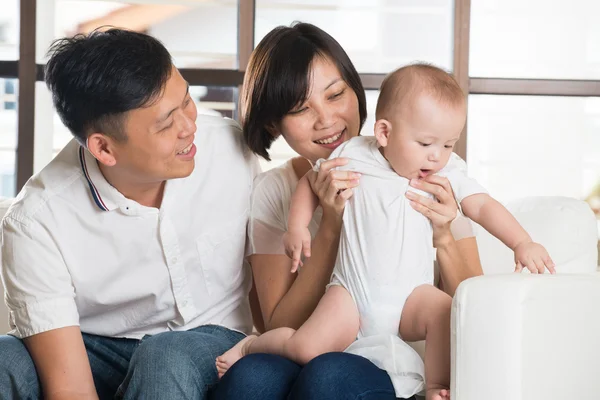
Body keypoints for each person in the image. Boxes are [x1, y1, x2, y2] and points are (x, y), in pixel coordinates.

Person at [217, 63, 556, 400]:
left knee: (442, 311)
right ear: (384, 133)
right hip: (352, 293)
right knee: (305, 349)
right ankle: (252, 345)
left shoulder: (445, 174)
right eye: (425, 143)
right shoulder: (354, 156)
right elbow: (309, 183)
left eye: (449, 144)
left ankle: (437, 385)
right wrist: (297, 227)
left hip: (410, 296)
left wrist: (521, 241)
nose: (437, 156)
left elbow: (482, 205)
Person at [0, 29, 258, 399]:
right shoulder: (36, 222)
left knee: (166, 355)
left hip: (213, 341)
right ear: (103, 148)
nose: (189, 127)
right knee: (5, 359)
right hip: (98, 348)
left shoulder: (232, 150)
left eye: (186, 101)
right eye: (167, 124)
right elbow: (70, 388)